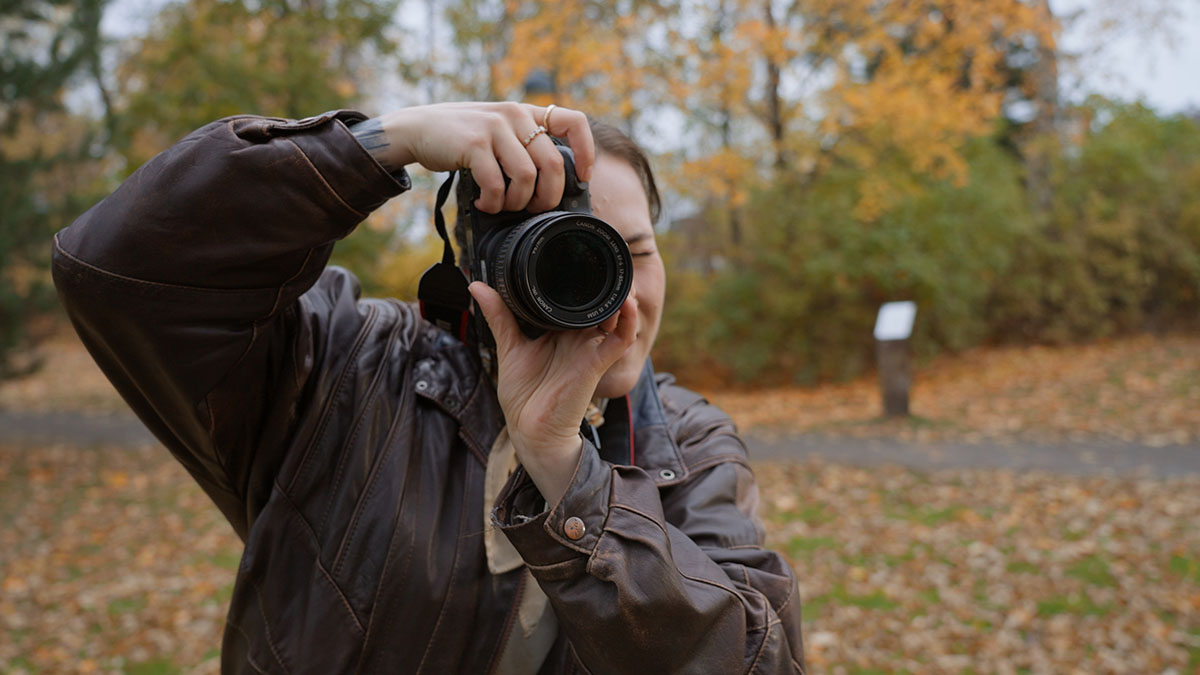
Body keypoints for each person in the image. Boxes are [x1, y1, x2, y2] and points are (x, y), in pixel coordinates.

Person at [52, 101, 806, 674]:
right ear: (483, 269)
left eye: (632, 254)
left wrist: (567, 472)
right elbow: (124, 271)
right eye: (567, 262)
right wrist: (388, 141)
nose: (619, 303)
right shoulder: (348, 369)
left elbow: (758, 657)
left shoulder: (691, 443)